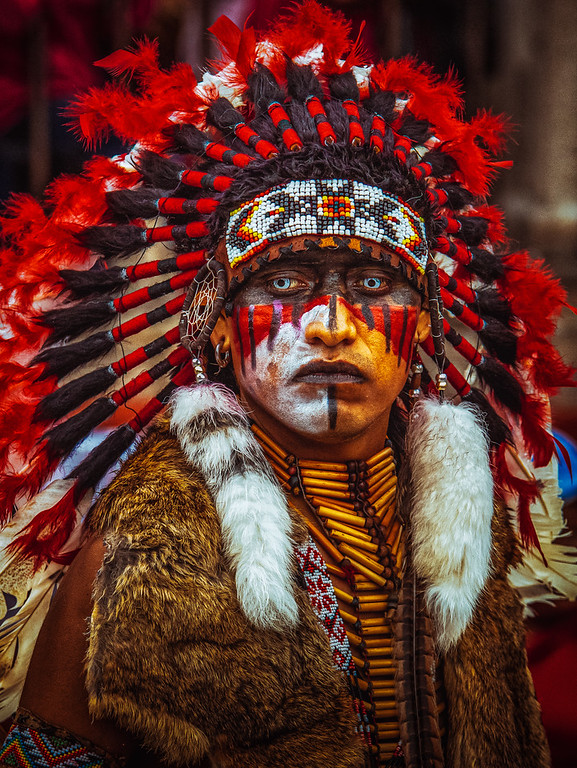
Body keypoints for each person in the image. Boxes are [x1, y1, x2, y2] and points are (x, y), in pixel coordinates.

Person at [0, 2, 575, 766]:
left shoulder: (469, 528)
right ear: (215, 327)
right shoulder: (142, 552)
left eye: (374, 284)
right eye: (286, 282)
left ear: (429, 329)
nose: (332, 324)